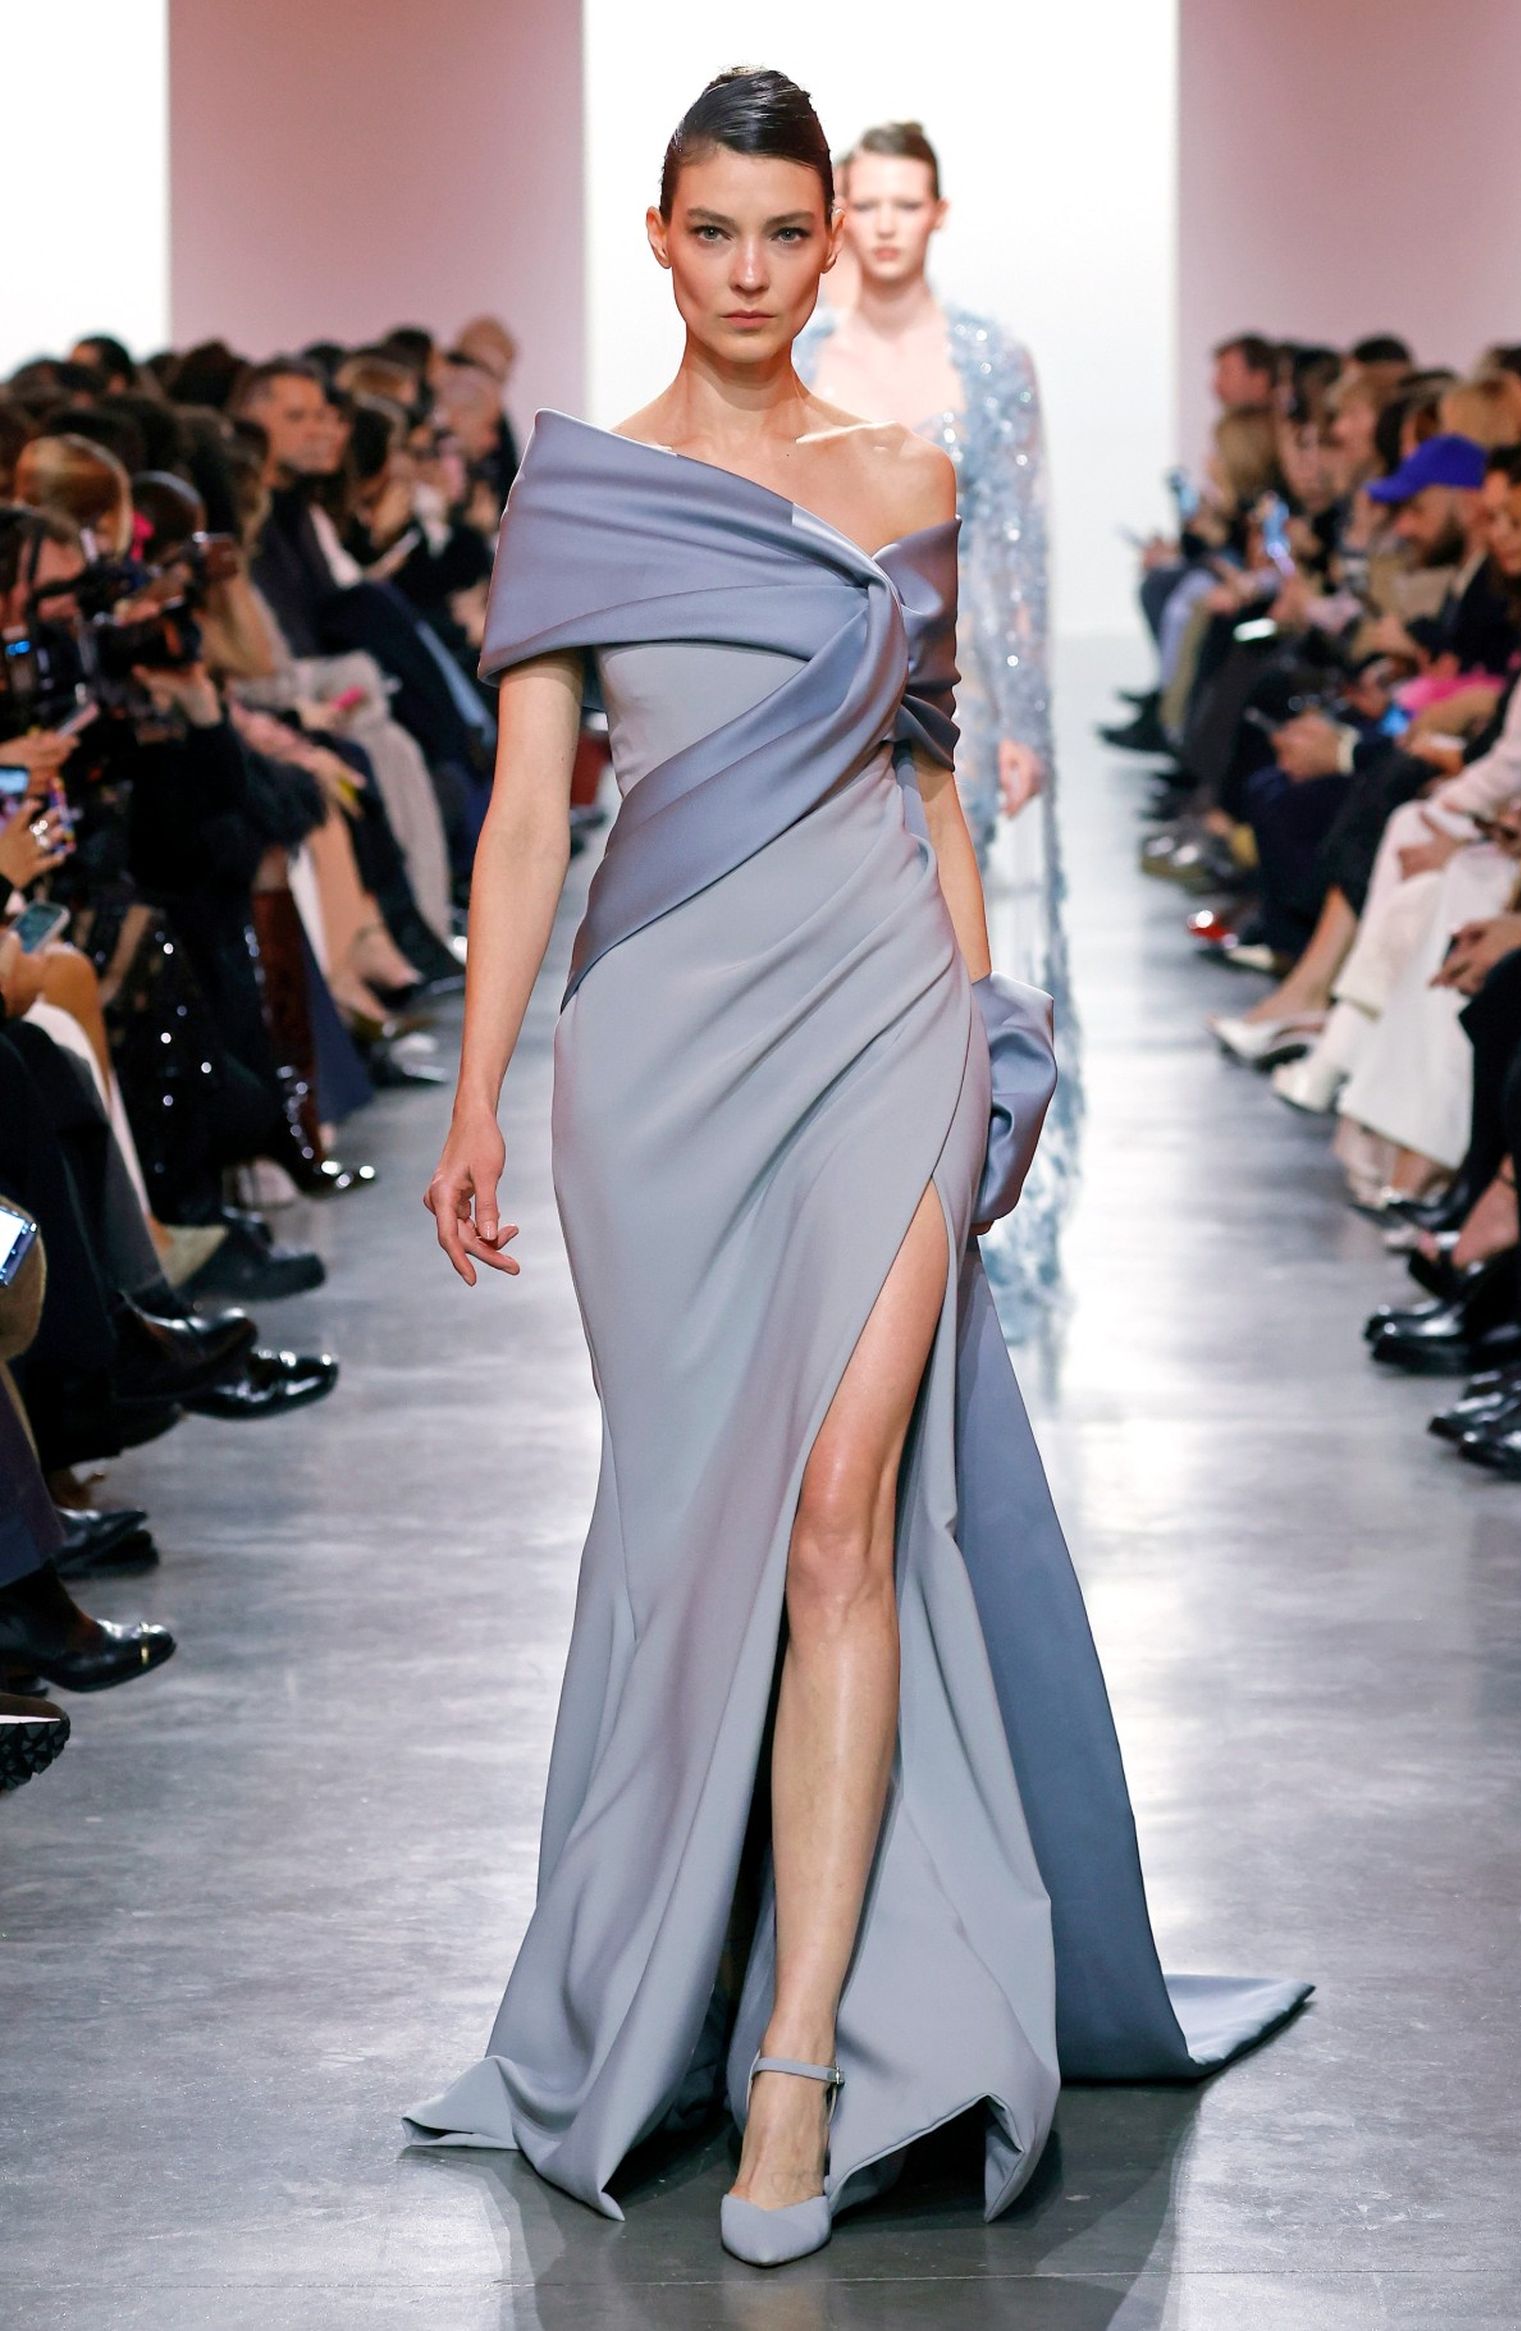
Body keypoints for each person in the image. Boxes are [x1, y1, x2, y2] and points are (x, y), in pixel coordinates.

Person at [405, 66, 1305, 2269]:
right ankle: (673, 1979)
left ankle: (801, 2057)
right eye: (710, 229)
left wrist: (989, 1034)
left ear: (835, 242)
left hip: (884, 1014)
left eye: (782, 232)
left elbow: (925, 786)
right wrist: (476, 1087)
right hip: (657, 1052)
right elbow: (527, 815)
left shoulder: (909, 473)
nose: (747, 270)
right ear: (657, 236)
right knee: (688, 1526)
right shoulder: (578, 489)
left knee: (841, 1511)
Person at [793, 119, 1077, 1319]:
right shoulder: (803, 351)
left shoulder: (992, 361)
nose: (887, 225)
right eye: (868, 203)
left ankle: (955, 1204)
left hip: (954, 692)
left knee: (955, 950)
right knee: (837, 945)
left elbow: (1016, 551)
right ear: (841, 215)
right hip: (820, 688)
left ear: (939, 214)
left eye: (907, 203)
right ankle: (850, 1208)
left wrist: (1025, 721)